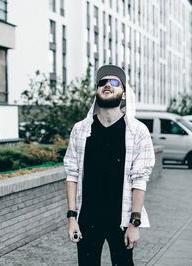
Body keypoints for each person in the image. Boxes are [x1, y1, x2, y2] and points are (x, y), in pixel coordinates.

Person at [63, 65, 155, 266]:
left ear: (123, 94)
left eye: (114, 82)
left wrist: (134, 224)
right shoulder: (81, 130)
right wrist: (72, 218)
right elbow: (72, 174)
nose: (107, 85)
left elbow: (140, 179)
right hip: (87, 219)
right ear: (97, 91)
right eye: (102, 82)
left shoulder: (138, 131)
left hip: (121, 220)